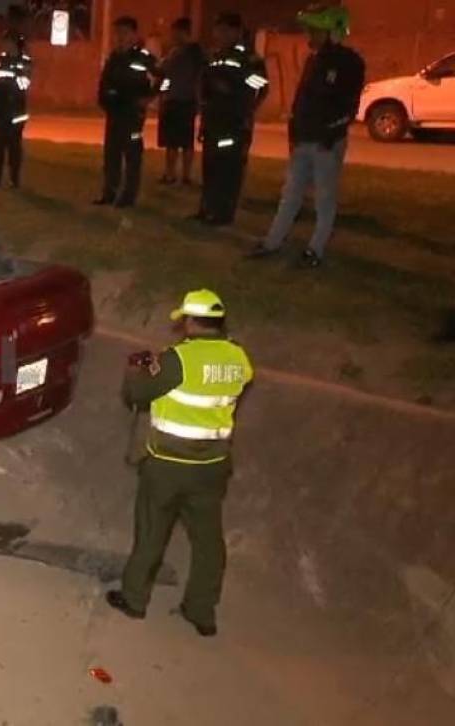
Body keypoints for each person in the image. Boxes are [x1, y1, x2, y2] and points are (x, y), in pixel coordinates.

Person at [106, 289, 254, 638]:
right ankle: (201, 611)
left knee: (151, 533)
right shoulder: (239, 358)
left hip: (168, 466)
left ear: (190, 320)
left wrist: (136, 371)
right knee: (208, 541)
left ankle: (134, 599)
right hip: (213, 466)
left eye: (183, 320)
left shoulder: (178, 359)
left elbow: (137, 396)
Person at [247, 4, 364, 268]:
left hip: (326, 142)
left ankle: (316, 249)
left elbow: (349, 106)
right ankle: (272, 242)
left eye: (316, 30)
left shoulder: (350, 62)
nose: (309, 34)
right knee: (290, 194)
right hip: (304, 139)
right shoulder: (315, 60)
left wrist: (329, 134)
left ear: (333, 31)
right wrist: (295, 132)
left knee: (324, 197)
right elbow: (303, 100)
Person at [194, 13, 269, 227]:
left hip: (234, 122)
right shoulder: (214, 56)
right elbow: (203, 83)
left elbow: (261, 87)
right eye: (218, 30)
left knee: (229, 168)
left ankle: (223, 214)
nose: (220, 35)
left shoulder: (249, 59)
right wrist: (203, 107)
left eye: (226, 30)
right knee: (210, 166)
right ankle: (206, 208)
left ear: (237, 32)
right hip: (212, 120)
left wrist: (246, 109)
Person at [95, 16, 159, 208]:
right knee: (111, 155)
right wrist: (103, 101)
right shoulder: (113, 58)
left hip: (132, 115)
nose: (119, 37)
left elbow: (163, 79)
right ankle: (109, 193)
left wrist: (149, 97)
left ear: (134, 35)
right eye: (117, 33)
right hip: (114, 114)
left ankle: (128, 196)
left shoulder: (143, 58)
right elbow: (104, 83)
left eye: (124, 33)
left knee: (132, 156)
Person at [155, 18, 206, 186]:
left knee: (184, 142)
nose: (172, 35)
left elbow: (201, 76)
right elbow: (164, 71)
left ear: (183, 32)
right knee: (171, 141)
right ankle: (170, 174)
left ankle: (185, 175)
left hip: (185, 100)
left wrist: (199, 100)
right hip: (172, 100)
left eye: (175, 32)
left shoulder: (194, 52)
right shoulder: (175, 52)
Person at [0, 31, 32, 188]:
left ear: (15, 44)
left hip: (15, 112)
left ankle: (14, 180)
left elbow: (24, 84)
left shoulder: (24, 61)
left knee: (14, 148)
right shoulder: (1, 60)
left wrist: (6, 83)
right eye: (4, 42)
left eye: (8, 42)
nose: (5, 45)